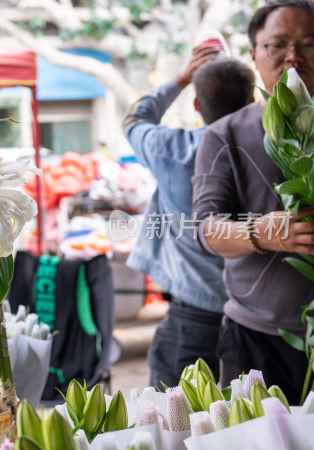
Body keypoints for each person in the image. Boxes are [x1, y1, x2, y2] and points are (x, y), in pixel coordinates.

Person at [192, 0, 314, 403]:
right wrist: (262, 232)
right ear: (253, 54)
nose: (293, 58)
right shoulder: (224, 136)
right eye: (278, 45)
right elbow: (205, 230)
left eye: (310, 45)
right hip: (257, 341)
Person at [124, 49, 255, 389]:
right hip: (256, 317)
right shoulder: (272, 151)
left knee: (176, 427)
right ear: (252, 99)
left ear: (197, 105)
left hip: (193, 317)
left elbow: (135, 119)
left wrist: (182, 78)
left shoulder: (173, 148)